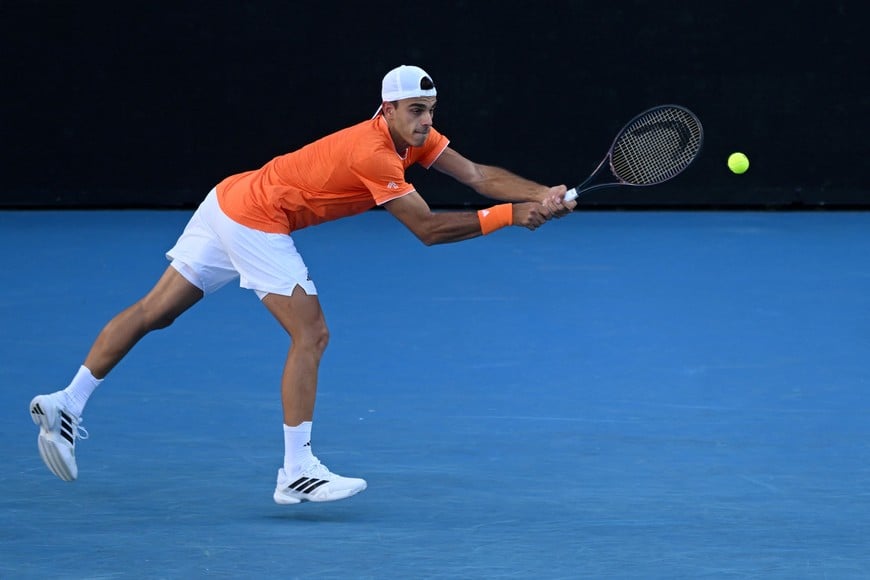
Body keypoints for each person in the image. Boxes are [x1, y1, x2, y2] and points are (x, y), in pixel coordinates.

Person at [29, 65, 576, 504]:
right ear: (387, 109)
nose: (426, 121)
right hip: (255, 219)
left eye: (431, 110)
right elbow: (427, 229)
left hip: (229, 197)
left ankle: (67, 402)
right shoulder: (374, 153)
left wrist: (540, 194)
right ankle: (296, 471)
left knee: (156, 311)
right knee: (311, 335)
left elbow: (476, 174)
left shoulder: (415, 137)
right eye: (416, 110)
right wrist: (510, 216)